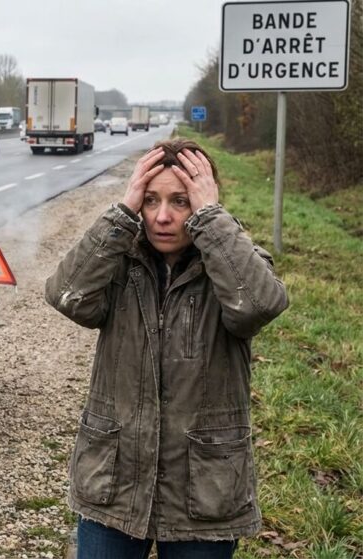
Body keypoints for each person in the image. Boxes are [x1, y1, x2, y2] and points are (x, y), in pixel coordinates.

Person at [45, 139, 288, 558]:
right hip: (114, 486)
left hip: (203, 495)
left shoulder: (234, 263)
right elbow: (67, 294)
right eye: (150, 200)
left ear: (205, 202)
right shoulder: (118, 262)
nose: (162, 216)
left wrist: (212, 220)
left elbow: (258, 305)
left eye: (180, 201)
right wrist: (121, 214)